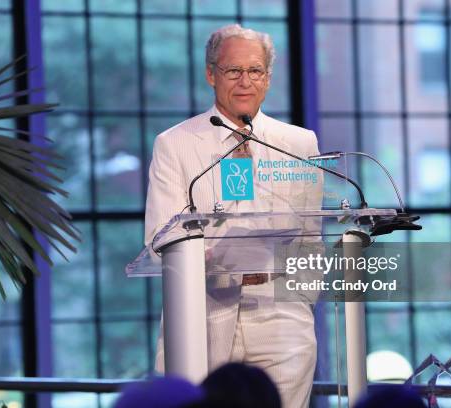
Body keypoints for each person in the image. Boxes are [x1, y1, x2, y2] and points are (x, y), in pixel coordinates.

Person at [145, 24, 321, 408]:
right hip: (203, 314)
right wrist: (218, 262)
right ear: (211, 74)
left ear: (268, 78)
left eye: (255, 71)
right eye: (232, 71)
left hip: (281, 314)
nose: (245, 82)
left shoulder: (300, 143)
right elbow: (160, 240)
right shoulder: (175, 144)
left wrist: (303, 298)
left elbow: (311, 237)